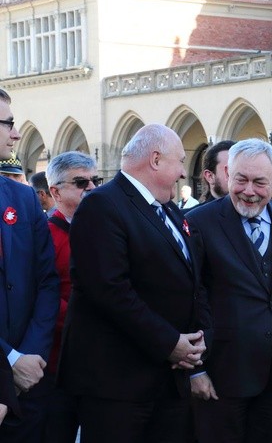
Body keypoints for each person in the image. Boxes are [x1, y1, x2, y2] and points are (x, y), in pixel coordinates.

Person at [58, 124, 210, 443]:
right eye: (180, 161)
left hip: (166, 381)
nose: (184, 172)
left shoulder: (166, 210)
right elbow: (109, 291)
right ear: (155, 159)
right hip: (118, 386)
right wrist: (170, 343)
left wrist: (195, 342)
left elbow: (189, 281)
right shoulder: (102, 205)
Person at [186, 138, 272, 443]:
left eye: (259, 182)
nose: (249, 191)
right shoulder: (199, 222)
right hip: (220, 375)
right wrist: (195, 371)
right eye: (240, 179)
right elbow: (190, 298)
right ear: (227, 173)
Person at [0, 88, 60, 443]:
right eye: (8, 123)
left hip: (29, 382)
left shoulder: (22, 197)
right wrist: (9, 360)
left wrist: (30, 356)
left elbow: (47, 282)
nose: (17, 133)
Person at [44, 151, 101, 442]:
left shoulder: (103, 228)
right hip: (59, 364)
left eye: (95, 180)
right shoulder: (45, 236)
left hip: (102, 365)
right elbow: (45, 297)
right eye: (81, 182)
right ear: (55, 191)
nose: (91, 188)